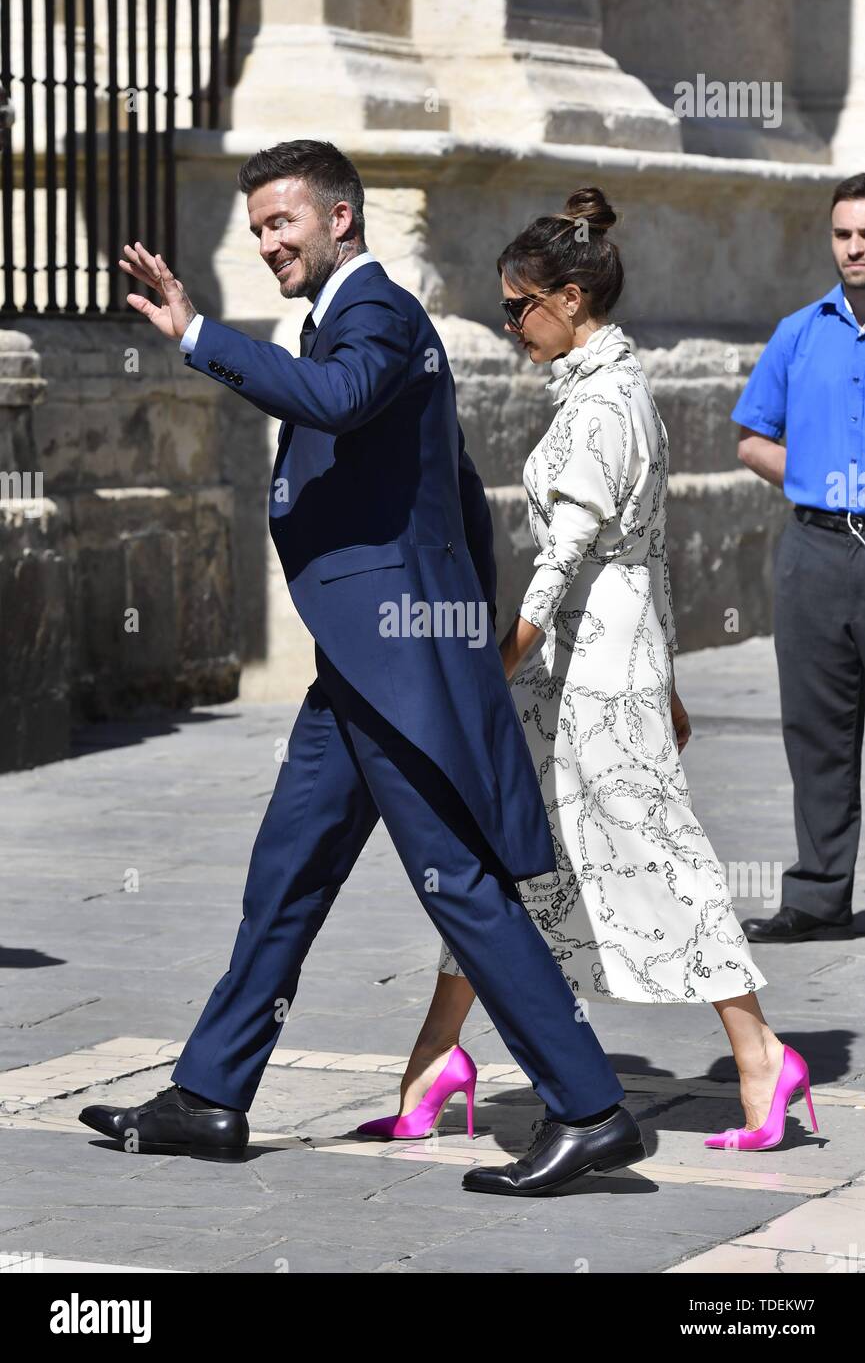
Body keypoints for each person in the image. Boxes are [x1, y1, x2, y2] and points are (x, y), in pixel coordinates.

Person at [78, 140, 646, 1196]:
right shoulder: (354, 317)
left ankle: (588, 1106)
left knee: (460, 884)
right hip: (365, 661)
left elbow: (332, 400)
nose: (266, 243)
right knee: (286, 872)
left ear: (340, 218)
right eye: (256, 229)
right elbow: (458, 494)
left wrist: (199, 334)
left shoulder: (377, 312)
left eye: (281, 223)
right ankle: (209, 1094)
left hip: (390, 667)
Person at [357, 187, 817, 1154]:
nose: (508, 325)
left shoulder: (605, 401)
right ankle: (435, 1057)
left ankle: (760, 1055)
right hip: (588, 676)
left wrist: (498, 664)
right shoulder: (609, 389)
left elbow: (563, 563)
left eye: (517, 307)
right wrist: (670, 677)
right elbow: (644, 552)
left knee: (656, 861)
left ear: (569, 299)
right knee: (505, 864)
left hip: (590, 684)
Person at [734, 172, 865, 945]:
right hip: (816, 551)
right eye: (844, 236)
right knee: (815, 732)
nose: (855, 250)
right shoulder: (796, 332)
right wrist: (816, 473)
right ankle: (817, 899)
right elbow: (751, 439)